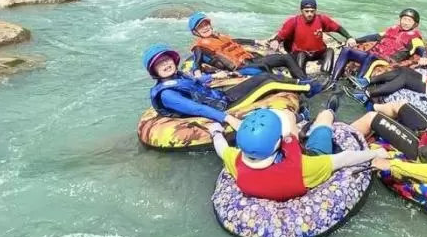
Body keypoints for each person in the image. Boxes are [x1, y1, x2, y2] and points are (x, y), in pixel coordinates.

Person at [207, 101, 385, 201]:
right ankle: (329, 109)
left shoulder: (236, 161)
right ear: (279, 141)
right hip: (312, 154)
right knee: (324, 120)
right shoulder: (304, 167)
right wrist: (376, 154)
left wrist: (215, 132)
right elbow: (345, 158)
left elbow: (221, 148)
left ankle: (304, 118)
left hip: (278, 158)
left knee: (293, 124)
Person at [143, 44, 323, 131]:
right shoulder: (167, 94)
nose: (166, 65)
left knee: (262, 76)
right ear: (154, 71)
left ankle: (302, 84)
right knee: (268, 83)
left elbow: (195, 82)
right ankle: (310, 89)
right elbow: (197, 107)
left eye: (167, 60)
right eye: (160, 64)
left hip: (220, 97)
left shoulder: (178, 76)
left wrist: (217, 75)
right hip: (222, 107)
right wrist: (228, 119)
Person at [188, 12, 308, 79]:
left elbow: (237, 41)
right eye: (201, 27)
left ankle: (304, 81)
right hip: (241, 68)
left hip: (251, 59)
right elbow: (196, 62)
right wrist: (199, 75)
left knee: (285, 57)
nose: (205, 28)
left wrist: (257, 42)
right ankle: (289, 86)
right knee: (263, 68)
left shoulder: (219, 37)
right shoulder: (200, 47)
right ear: (195, 32)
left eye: (206, 24)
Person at [330, 7, 427, 84]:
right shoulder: (393, 29)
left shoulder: (415, 37)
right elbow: (375, 36)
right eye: (404, 19)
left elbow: (421, 49)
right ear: (400, 19)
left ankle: (359, 83)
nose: (406, 22)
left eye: (409, 21)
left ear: (415, 24)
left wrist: (424, 57)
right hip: (373, 54)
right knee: (347, 50)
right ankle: (333, 80)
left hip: (387, 60)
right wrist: (356, 40)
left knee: (371, 57)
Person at [269, 0, 354, 74]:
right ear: (301, 11)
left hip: (318, 52)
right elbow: (282, 35)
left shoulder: (321, 19)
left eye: (312, 11)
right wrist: (276, 41)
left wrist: (349, 37)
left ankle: (324, 75)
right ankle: (301, 76)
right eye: (306, 11)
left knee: (330, 51)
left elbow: (338, 28)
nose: (309, 14)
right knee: (301, 55)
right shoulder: (293, 22)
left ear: (315, 11)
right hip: (301, 53)